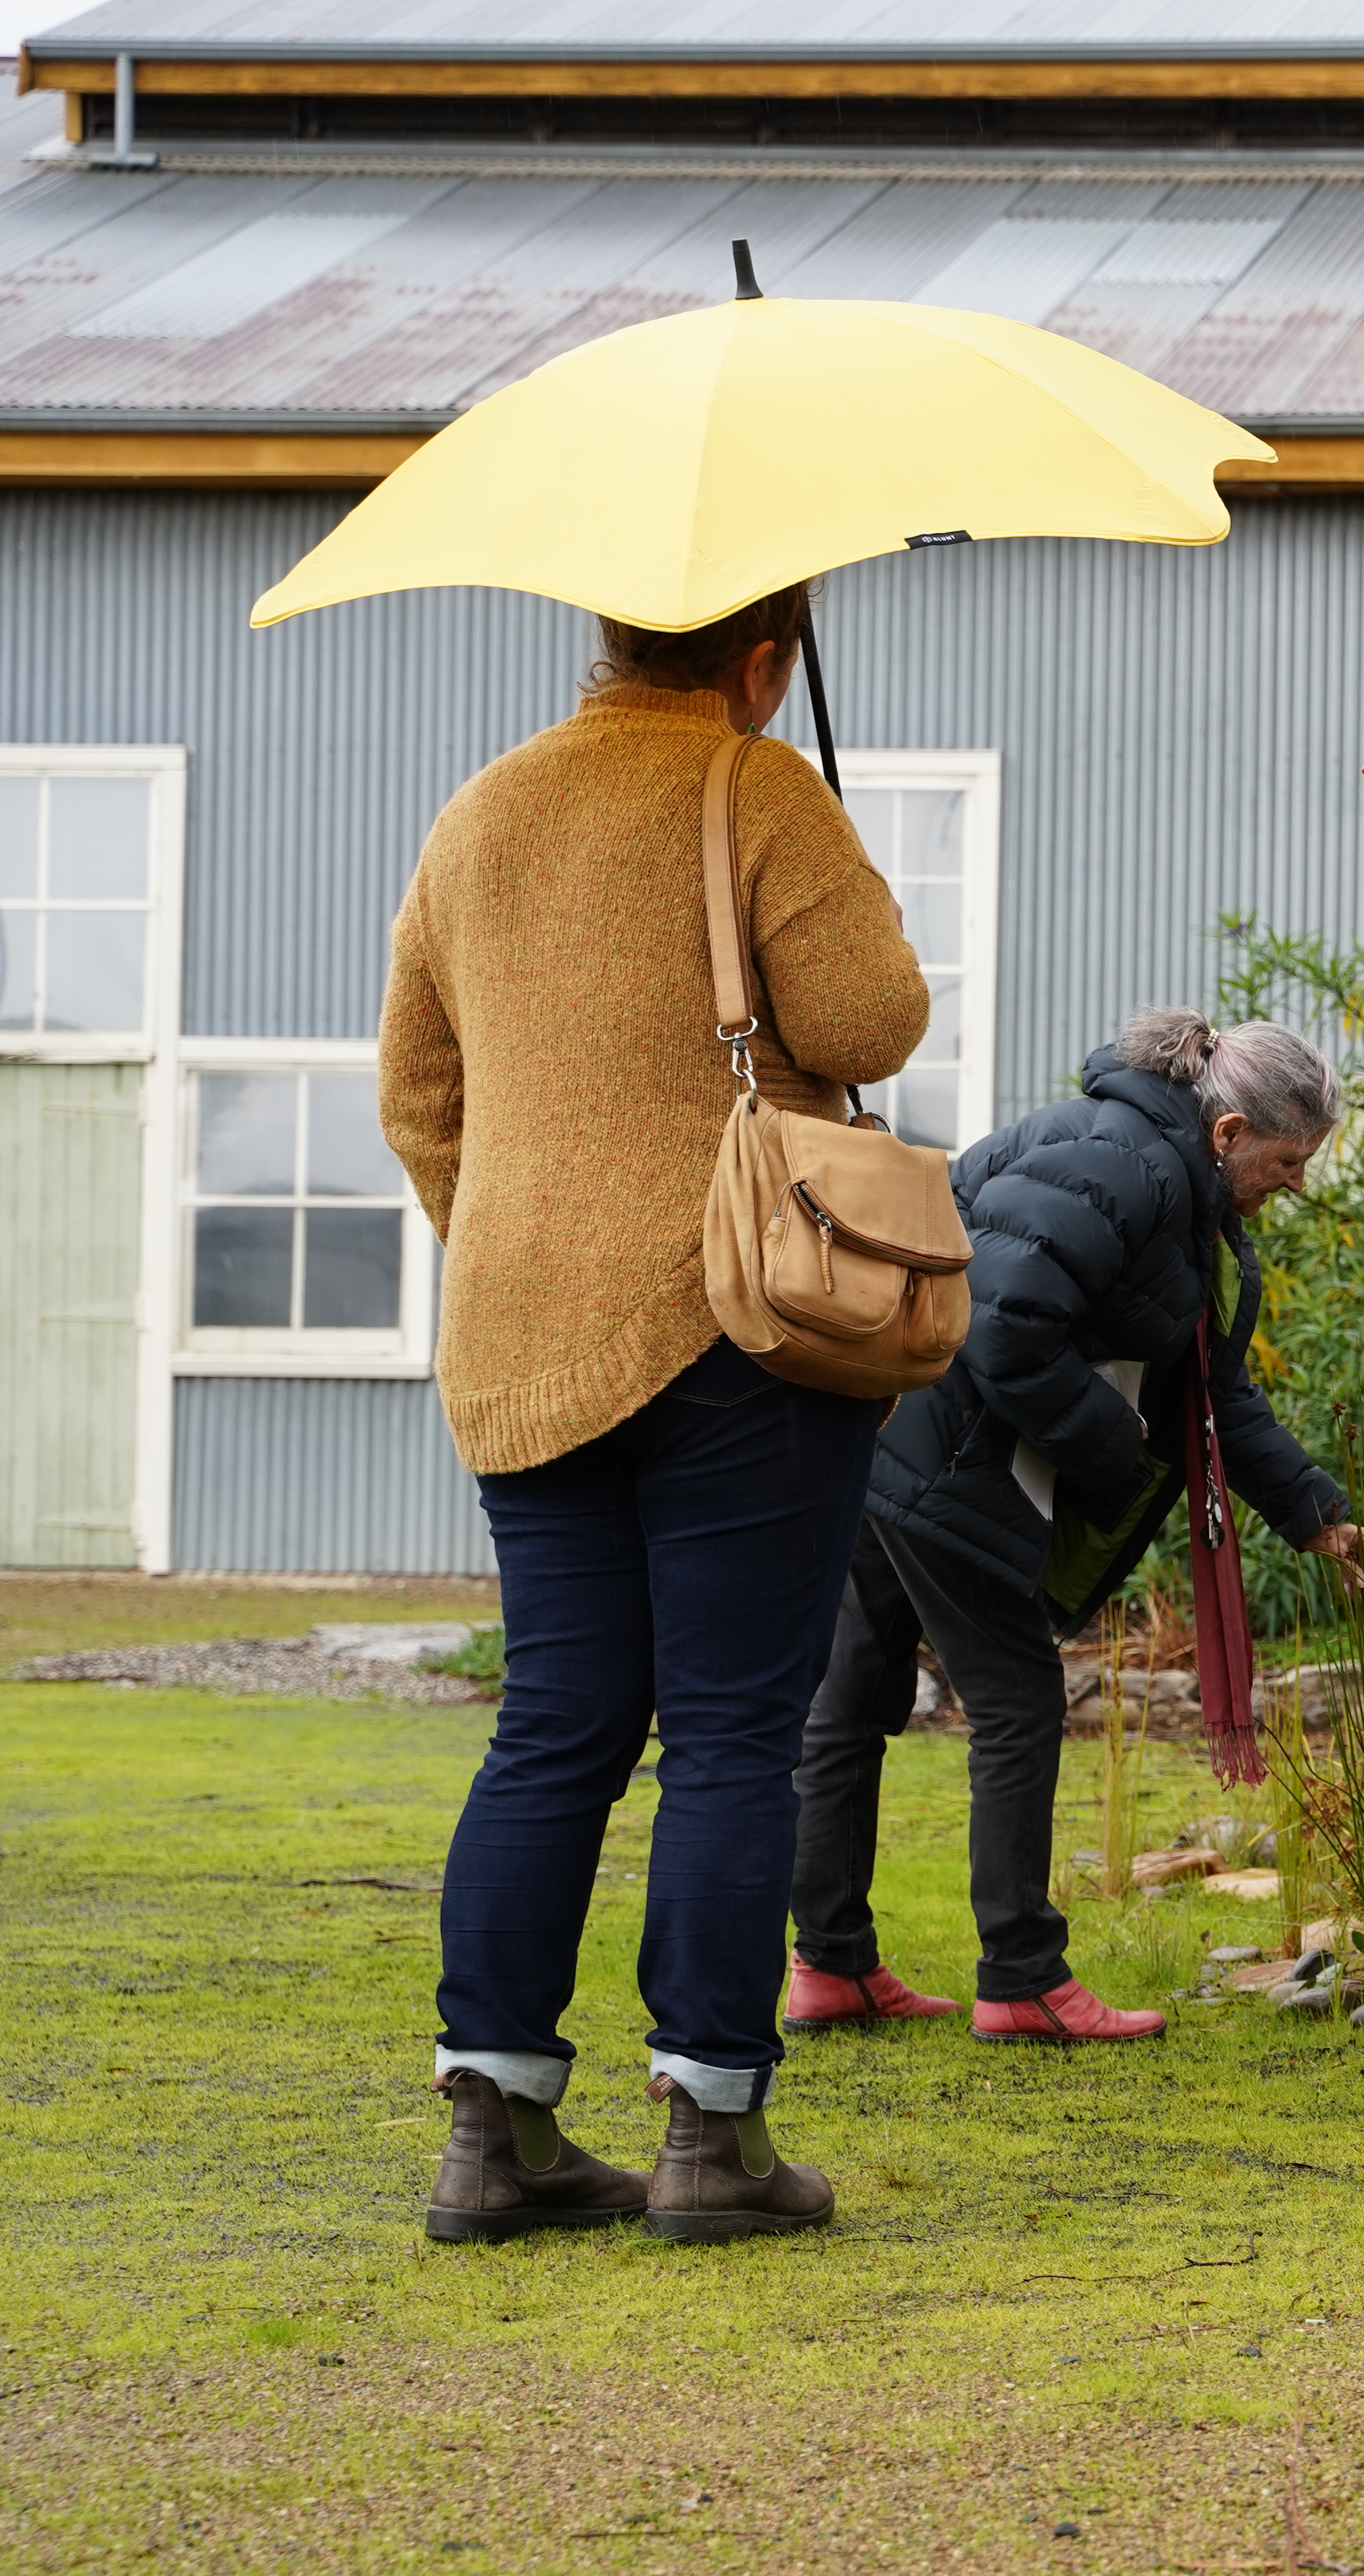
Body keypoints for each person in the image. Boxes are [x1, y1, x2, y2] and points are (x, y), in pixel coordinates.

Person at [381, 583, 931, 2245]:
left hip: (520, 1326)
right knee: (734, 1730)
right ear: (764, 659)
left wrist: (523, 1235)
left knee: (554, 1723)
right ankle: (711, 2131)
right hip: (729, 1317)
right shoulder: (755, 782)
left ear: (613, 634)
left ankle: (496, 2130)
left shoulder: (479, 810)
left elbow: (418, 1092)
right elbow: (865, 1024)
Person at [784, 1008, 1364, 2045]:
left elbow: (1211, 1392)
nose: (1299, 1182)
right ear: (1228, 1131)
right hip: (949, 1459)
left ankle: (830, 1967)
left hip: (895, 1443)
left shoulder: (1169, 1187)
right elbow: (1005, 1326)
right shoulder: (1124, 1162)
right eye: (1288, 1160)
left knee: (853, 1698)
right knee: (1016, 1706)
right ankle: (1020, 1978)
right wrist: (1116, 1448)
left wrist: (1312, 1509)